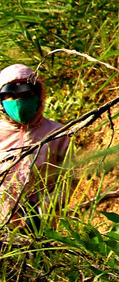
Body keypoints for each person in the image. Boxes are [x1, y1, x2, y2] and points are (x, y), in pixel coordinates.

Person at [1, 64, 71, 226]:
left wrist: (42, 209)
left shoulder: (57, 134)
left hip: (42, 225)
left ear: (38, 95)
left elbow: (71, 179)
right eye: (10, 96)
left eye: (26, 95)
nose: (18, 101)